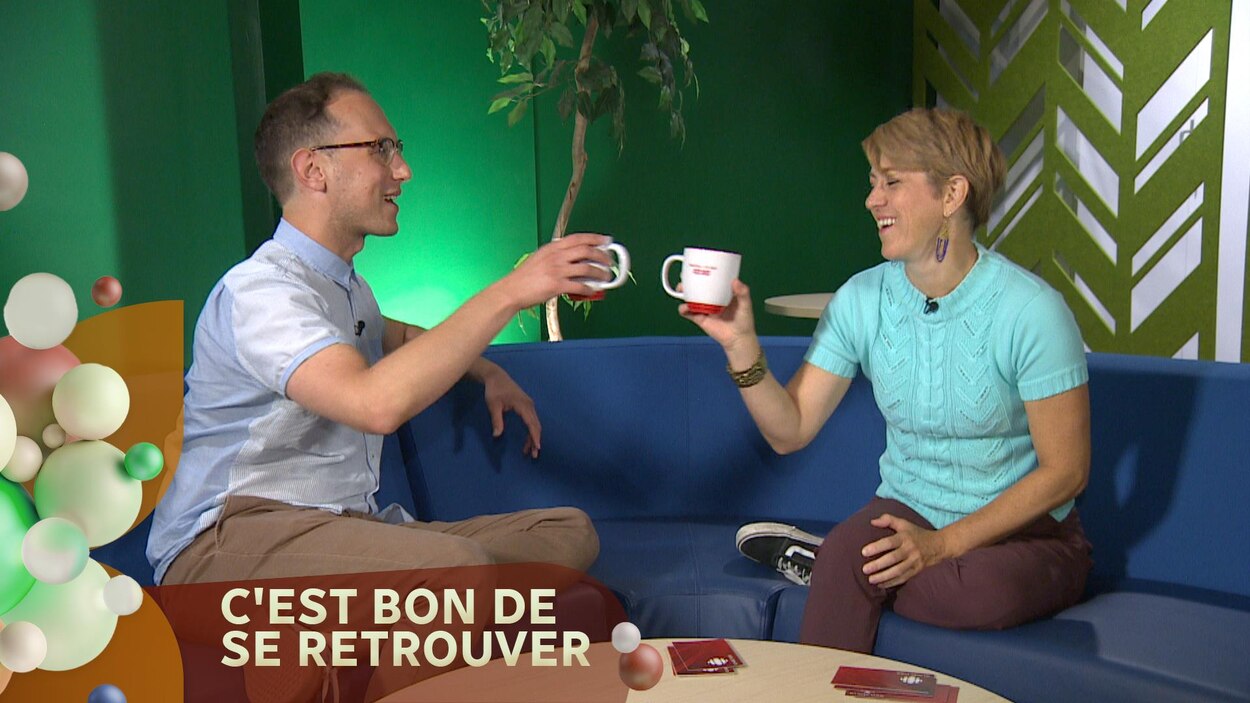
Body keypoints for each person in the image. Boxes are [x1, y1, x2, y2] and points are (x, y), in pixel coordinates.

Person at [147, 72, 606, 587]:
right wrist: (513, 290)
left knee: (568, 532)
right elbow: (373, 404)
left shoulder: (347, 288)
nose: (403, 170)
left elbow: (399, 336)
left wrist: (488, 372)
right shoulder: (262, 293)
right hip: (225, 543)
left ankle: (438, 609)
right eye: (381, 149)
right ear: (313, 170)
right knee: (460, 569)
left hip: (338, 530)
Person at [683, 107, 1093, 653]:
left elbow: (1066, 473)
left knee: (969, 592)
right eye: (873, 182)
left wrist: (941, 546)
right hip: (907, 514)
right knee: (852, 558)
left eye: (892, 182)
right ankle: (832, 577)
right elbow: (790, 430)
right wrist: (741, 347)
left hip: (1027, 535)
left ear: (952, 195)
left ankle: (829, 566)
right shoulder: (862, 298)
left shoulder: (1032, 311)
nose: (872, 200)